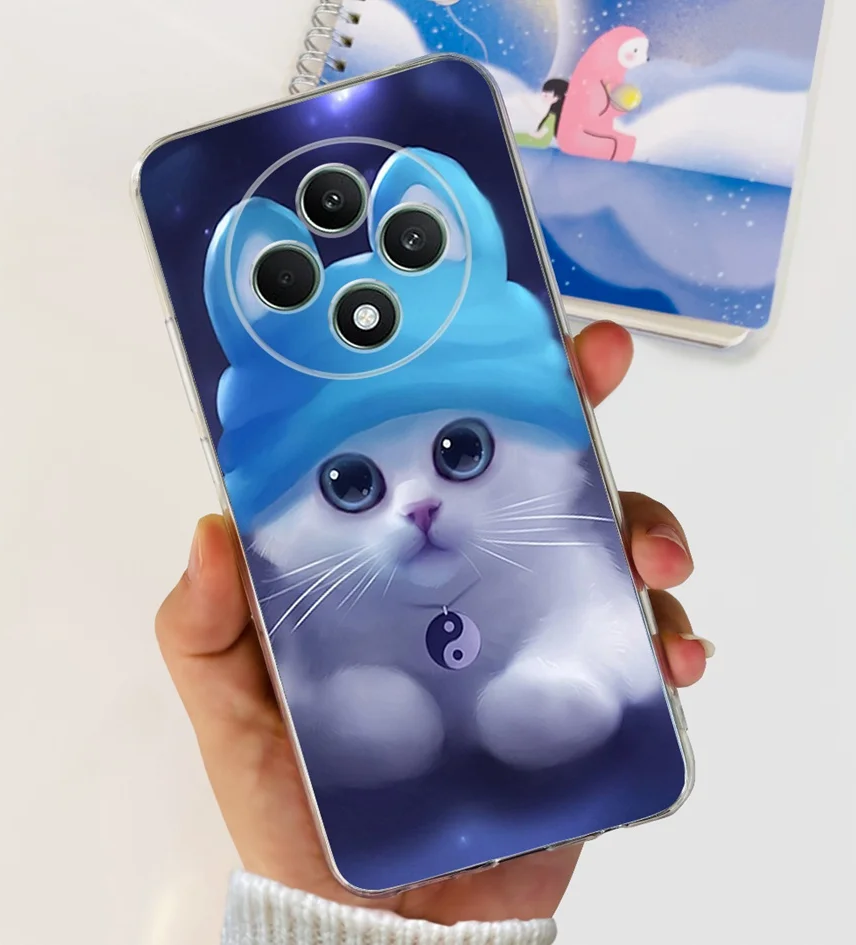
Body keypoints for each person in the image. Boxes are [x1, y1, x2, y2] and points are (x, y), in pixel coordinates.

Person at [155, 321, 714, 945]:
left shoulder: (557, 560)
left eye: (459, 451)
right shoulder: (316, 621)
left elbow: (601, 625)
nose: (418, 507)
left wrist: (575, 676)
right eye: (352, 484)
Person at [515, 78, 569, 150]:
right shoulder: (552, 113)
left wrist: (532, 134)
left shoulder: (553, 116)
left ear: (557, 97)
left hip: (541, 140)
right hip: (540, 139)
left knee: (511, 137)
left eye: (546, 95)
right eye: (543, 93)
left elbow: (541, 135)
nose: (542, 96)